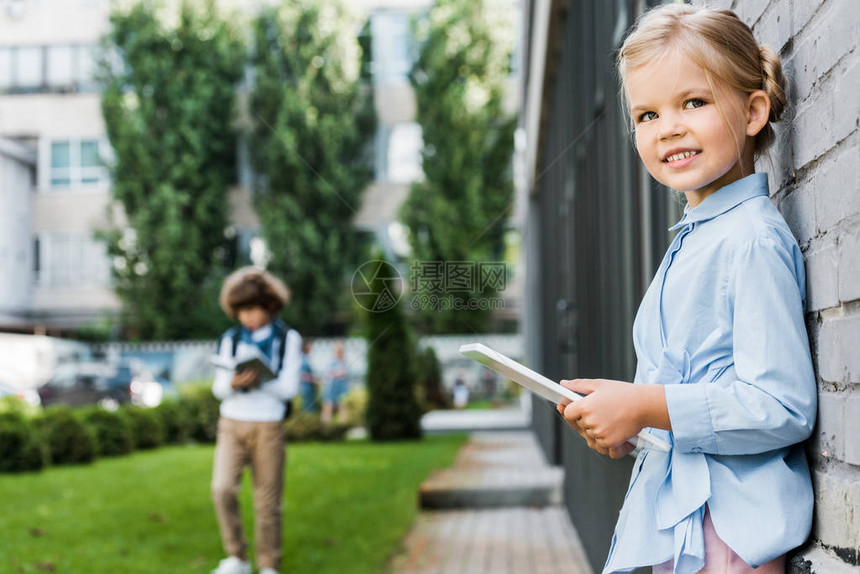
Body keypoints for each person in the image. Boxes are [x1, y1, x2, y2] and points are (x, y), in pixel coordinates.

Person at [556, 5, 816, 574]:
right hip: (683, 521)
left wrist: (647, 404)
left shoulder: (750, 241)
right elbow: (689, 397)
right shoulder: (697, 240)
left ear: (752, 112)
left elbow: (783, 406)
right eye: (646, 114)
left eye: (692, 103)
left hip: (728, 535)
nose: (667, 127)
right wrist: (629, 426)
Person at [210, 267, 302, 574]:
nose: (246, 317)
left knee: (267, 501)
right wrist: (234, 383)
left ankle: (268, 564)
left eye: (252, 309)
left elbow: (289, 389)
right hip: (232, 423)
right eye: (240, 311)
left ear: (269, 305)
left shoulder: (287, 339)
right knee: (222, 489)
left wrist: (260, 378)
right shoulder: (231, 339)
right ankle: (237, 556)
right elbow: (219, 387)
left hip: (268, 426)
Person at [321, 340, 348, 424]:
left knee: (342, 405)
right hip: (331, 386)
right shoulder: (331, 362)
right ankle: (326, 424)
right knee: (328, 405)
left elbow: (345, 373)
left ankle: (342, 424)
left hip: (341, 386)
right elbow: (328, 374)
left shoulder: (344, 361)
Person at [299, 340, 318, 413]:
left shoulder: (306, 358)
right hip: (306, 387)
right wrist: (314, 379)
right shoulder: (303, 359)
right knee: (308, 407)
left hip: (309, 387)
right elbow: (302, 375)